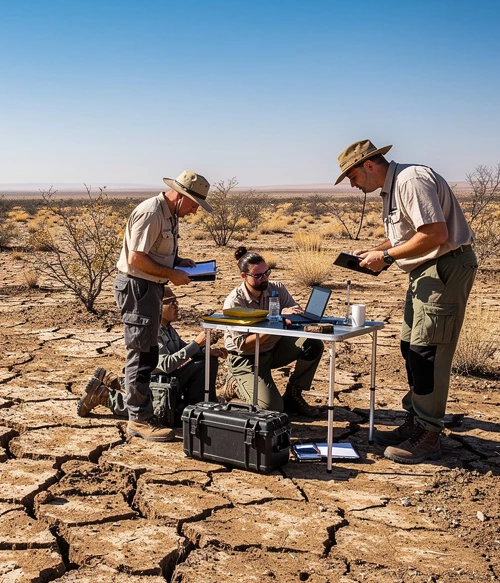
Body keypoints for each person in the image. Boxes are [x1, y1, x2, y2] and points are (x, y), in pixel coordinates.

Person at [336, 139, 477, 463]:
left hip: (443, 268)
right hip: (424, 272)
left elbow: (435, 234)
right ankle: (415, 422)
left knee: (429, 353)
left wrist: (385, 255)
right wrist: (375, 249)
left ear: (369, 165)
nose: (354, 185)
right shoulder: (393, 187)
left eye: (354, 177)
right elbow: (409, 236)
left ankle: (428, 435)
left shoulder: (410, 181)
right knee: (411, 348)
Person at [113, 170, 213, 441]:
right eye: (194, 205)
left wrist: (179, 262)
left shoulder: (169, 214)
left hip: (150, 287)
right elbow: (136, 259)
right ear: (181, 197)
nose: (194, 211)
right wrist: (171, 274)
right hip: (137, 288)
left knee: (148, 353)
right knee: (140, 355)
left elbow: (155, 252)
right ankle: (137, 419)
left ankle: (137, 410)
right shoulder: (151, 213)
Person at [78, 287, 227, 420]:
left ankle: (198, 407)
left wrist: (205, 351)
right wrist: (196, 344)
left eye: (177, 302)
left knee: (206, 361)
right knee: (158, 411)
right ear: (159, 307)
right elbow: (166, 365)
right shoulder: (152, 332)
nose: (177, 306)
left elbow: (183, 351)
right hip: (152, 381)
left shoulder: (167, 328)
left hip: (165, 379)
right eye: (171, 302)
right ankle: (104, 396)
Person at [222, 247, 324, 417]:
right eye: (258, 276)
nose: (265, 279)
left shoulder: (276, 288)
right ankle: (235, 382)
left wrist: (296, 314)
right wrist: (274, 322)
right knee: (271, 408)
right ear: (243, 276)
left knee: (312, 343)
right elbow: (243, 346)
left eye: (266, 272)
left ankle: (293, 395)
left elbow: (294, 310)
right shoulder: (235, 302)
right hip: (246, 359)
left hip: (274, 350)